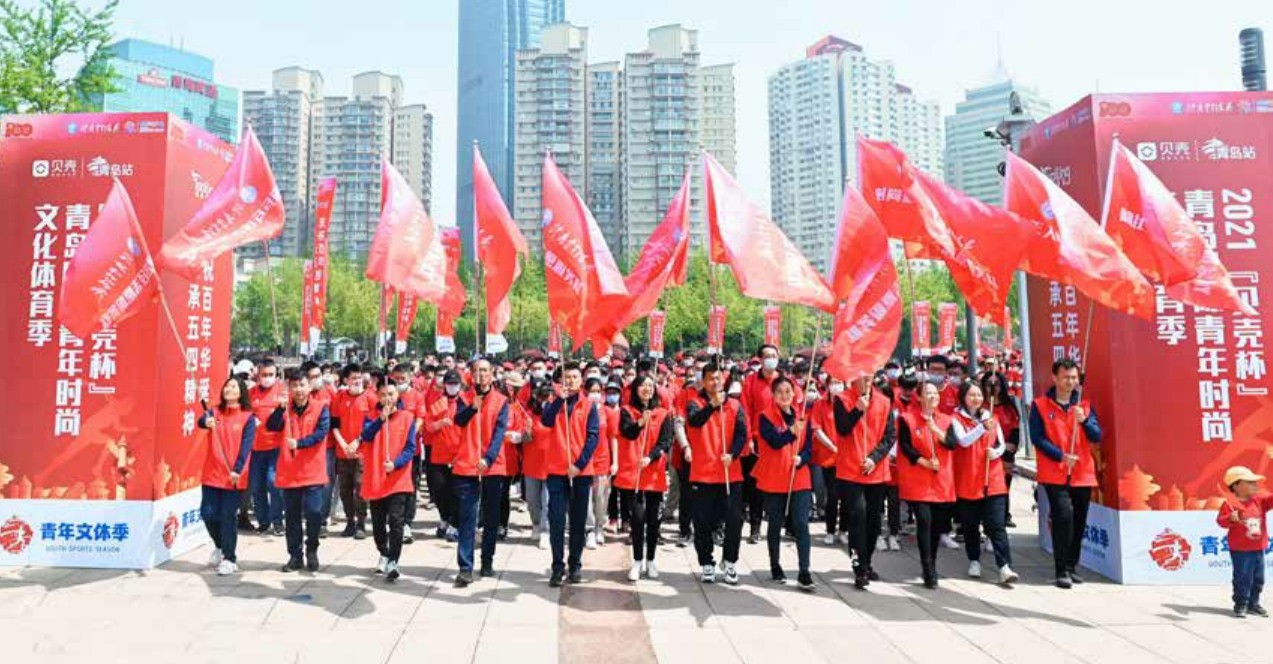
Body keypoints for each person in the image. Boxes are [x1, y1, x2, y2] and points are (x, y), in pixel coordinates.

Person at [1029, 358, 1102, 589]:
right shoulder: (1040, 405)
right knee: (1063, 517)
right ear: (1055, 378)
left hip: (1082, 473)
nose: (1070, 382)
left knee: (1079, 521)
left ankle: (1072, 566)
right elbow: (1037, 438)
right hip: (1055, 473)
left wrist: (1085, 421)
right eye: (1065, 377)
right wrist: (1060, 455)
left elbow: (1096, 435)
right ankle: (1061, 570)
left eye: (1074, 377)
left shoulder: (1084, 406)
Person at [685, 361, 748, 585]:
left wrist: (733, 453)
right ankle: (707, 563)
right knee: (702, 521)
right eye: (710, 378)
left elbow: (742, 433)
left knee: (734, 520)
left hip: (730, 473)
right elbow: (694, 422)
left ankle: (729, 561)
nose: (715, 382)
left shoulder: (735, 405)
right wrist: (712, 405)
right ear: (703, 381)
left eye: (718, 378)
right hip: (703, 473)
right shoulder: (694, 403)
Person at [950, 381, 1018, 585]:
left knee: (996, 525)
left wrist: (996, 452)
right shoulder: (955, 419)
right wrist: (981, 428)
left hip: (993, 478)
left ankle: (1004, 566)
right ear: (963, 397)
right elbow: (963, 441)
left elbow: (1000, 444)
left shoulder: (991, 417)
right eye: (972, 395)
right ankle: (974, 560)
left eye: (979, 395)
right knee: (970, 525)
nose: (976, 399)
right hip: (969, 478)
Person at [832, 373, 895, 589]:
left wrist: (874, 458)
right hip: (850, 471)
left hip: (876, 470)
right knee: (857, 518)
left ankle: (867, 562)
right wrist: (857, 409)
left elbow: (890, 436)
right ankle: (858, 567)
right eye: (862, 376)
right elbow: (842, 429)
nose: (867, 379)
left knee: (874, 522)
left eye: (870, 375)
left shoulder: (884, 401)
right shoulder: (842, 399)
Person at [540, 362, 601, 587]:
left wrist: (579, 464)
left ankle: (575, 564)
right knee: (556, 519)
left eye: (575, 377)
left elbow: (593, 437)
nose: (571, 380)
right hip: (556, 469)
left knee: (577, 520)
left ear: (581, 380)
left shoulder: (589, 405)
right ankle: (557, 566)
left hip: (580, 472)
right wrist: (559, 400)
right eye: (567, 377)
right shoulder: (555, 403)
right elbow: (545, 421)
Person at [266, 368, 332, 572]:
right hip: (290, 472)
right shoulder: (285, 409)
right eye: (294, 386)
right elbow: (271, 426)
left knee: (314, 513)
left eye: (302, 385)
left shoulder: (321, 408)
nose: (299, 389)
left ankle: (312, 549)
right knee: (292, 516)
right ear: (289, 388)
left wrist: (300, 443)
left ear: (309, 386)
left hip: (313, 471)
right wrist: (279, 409)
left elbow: (321, 433)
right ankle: (295, 556)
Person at [451, 359, 510, 586]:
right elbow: (458, 421)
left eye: (484, 370)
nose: (480, 374)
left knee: (491, 516)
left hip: (492, 466)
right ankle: (465, 567)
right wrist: (472, 408)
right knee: (467, 517)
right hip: (467, 464)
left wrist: (488, 458)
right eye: (476, 370)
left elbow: (499, 433)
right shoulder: (464, 398)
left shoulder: (501, 400)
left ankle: (487, 560)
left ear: (492, 374)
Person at [755, 376, 815, 590]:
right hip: (775, 476)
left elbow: (809, 447)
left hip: (799, 476)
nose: (784, 395)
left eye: (788, 391)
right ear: (773, 394)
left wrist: (802, 458)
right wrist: (791, 432)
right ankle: (775, 565)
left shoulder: (802, 416)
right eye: (780, 391)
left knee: (801, 523)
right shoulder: (765, 417)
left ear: (794, 393)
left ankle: (804, 571)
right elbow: (774, 441)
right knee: (775, 522)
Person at [897, 381, 955, 589]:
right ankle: (927, 567)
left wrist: (935, 429)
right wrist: (925, 463)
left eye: (935, 393)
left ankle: (933, 560)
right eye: (928, 393)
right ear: (919, 397)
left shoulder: (947, 420)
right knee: (924, 521)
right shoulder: (907, 419)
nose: (933, 396)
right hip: (919, 479)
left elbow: (951, 443)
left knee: (937, 525)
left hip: (941, 481)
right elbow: (905, 447)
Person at [615, 375, 674, 582]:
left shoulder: (663, 413)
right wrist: (641, 422)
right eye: (642, 385)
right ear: (635, 389)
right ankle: (637, 560)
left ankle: (651, 560)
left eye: (650, 385)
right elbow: (627, 433)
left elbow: (666, 441)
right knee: (638, 519)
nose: (647, 389)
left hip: (653, 472)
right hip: (633, 472)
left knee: (653, 519)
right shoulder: (626, 411)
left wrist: (651, 457)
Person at [197, 377, 257, 575]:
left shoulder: (247, 417)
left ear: (241, 391)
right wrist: (206, 422)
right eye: (227, 386)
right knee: (207, 513)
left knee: (227, 516)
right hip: (212, 473)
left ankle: (230, 559)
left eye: (233, 386)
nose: (228, 389)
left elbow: (246, 446)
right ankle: (220, 546)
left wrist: (238, 470)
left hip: (233, 476)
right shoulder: (214, 412)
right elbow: (201, 421)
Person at [359, 382, 417, 581]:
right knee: (377, 523)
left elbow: (410, 448)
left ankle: (393, 560)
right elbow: (366, 436)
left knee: (396, 521)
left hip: (398, 478)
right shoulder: (370, 417)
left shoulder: (407, 418)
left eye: (391, 394)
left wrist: (396, 463)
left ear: (397, 396)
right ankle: (383, 552)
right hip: (376, 477)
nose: (387, 398)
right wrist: (380, 420)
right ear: (378, 396)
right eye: (383, 394)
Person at [741, 344, 790, 544]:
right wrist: (749, 439)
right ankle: (755, 527)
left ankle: (784, 524)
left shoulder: (785, 382)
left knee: (782, 482)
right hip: (758, 440)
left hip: (782, 439)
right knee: (756, 486)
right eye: (767, 356)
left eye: (774, 355)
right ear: (760, 360)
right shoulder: (751, 382)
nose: (771, 359)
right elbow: (745, 412)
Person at [1218, 466, 1273, 618]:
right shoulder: (1229, 504)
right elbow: (1221, 521)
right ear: (1236, 485)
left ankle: (1253, 604)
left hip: (1258, 547)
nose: (1255, 485)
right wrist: (1230, 518)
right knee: (1243, 578)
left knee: (1258, 578)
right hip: (1240, 549)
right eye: (1250, 482)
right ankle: (1241, 604)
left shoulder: (1259, 501)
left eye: (1255, 482)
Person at [331, 364, 373, 539]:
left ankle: (361, 522)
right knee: (345, 489)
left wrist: (358, 441)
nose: (357, 381)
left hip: (362, 452)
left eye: (359, 377)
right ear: (346, 380)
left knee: (360, 487)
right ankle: (350, 521)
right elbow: (334, 424)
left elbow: (372, 425)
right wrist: (343, 444)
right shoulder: (339, 397)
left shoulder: (370, 397)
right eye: (353, 378)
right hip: (343, 452)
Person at [248, 358, 288, 535]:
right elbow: (244, 413)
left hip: (276, 447)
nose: (267, 378)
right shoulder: (251, 393)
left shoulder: (283, 391)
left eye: (271, 374)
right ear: (258, 375)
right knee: (257, 487)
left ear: (276, 374)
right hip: (256, 447)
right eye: (264, 374)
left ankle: (278, 521)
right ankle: (263, 521)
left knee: (274, 483)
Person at [424, 371, 463, 541]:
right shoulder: (438, 402)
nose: (452, 387)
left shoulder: (466, 402)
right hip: (439, 453)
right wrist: (438, 424)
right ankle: (444, 518)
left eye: (455, 383)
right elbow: (428, 425)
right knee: (439, 489)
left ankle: (455, 523)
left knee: (457, 491)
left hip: (459, 454)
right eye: (449, 383)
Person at [388, 364, 424, 544]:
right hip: (390, 451)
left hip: (411, 450)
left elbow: (420, 419)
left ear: (410, 378)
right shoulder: (389, 396)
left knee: (409, 487)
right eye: (397, 379)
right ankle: (393, 520)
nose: (400, 382)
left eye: (403, 379)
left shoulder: (417, 396)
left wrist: (407, 437)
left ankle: (407, 523)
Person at [981, 372, 1020, 528]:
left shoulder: (1009, 405)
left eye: (996, 384)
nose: (992, 388)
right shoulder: (980, 405)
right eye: (989, 385)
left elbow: (1016, 429)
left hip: (1005, 452)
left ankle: (1004, 515)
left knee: (1004, 485)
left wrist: (1010, 448)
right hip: (986, 452)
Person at [585, 378, 621, 549]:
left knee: (601, 498)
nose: (595, 394)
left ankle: (599, 526)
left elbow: (613, 438)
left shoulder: (607, 412)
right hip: (584, 461)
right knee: (586, 499)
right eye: (592, 391)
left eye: (598, 391)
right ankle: (589, 530)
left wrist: (615, 462)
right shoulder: (580, 410)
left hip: (602, 461)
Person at [809, 378, 842, 546]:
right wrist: (832, 446)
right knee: (833, 495)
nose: (836, 386)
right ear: (828, 385)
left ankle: (843, 529)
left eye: (839, 382)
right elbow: (816, 428)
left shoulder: (849, 402)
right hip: (830, 456)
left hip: (848, 457)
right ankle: (830, 530)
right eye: (833, 382)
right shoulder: (820, 404)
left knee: (847, 496)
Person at [523, 381, 555, 549]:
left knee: (547, 500)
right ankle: (535, 523)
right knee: (532, 499)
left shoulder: (558, 416)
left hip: (551, 464)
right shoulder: (529, 415)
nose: (547, 401)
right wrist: (525, 433)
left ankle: (545, 530)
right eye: (544, 397)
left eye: (550, 398)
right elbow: (523, 438)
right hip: (532, 464)